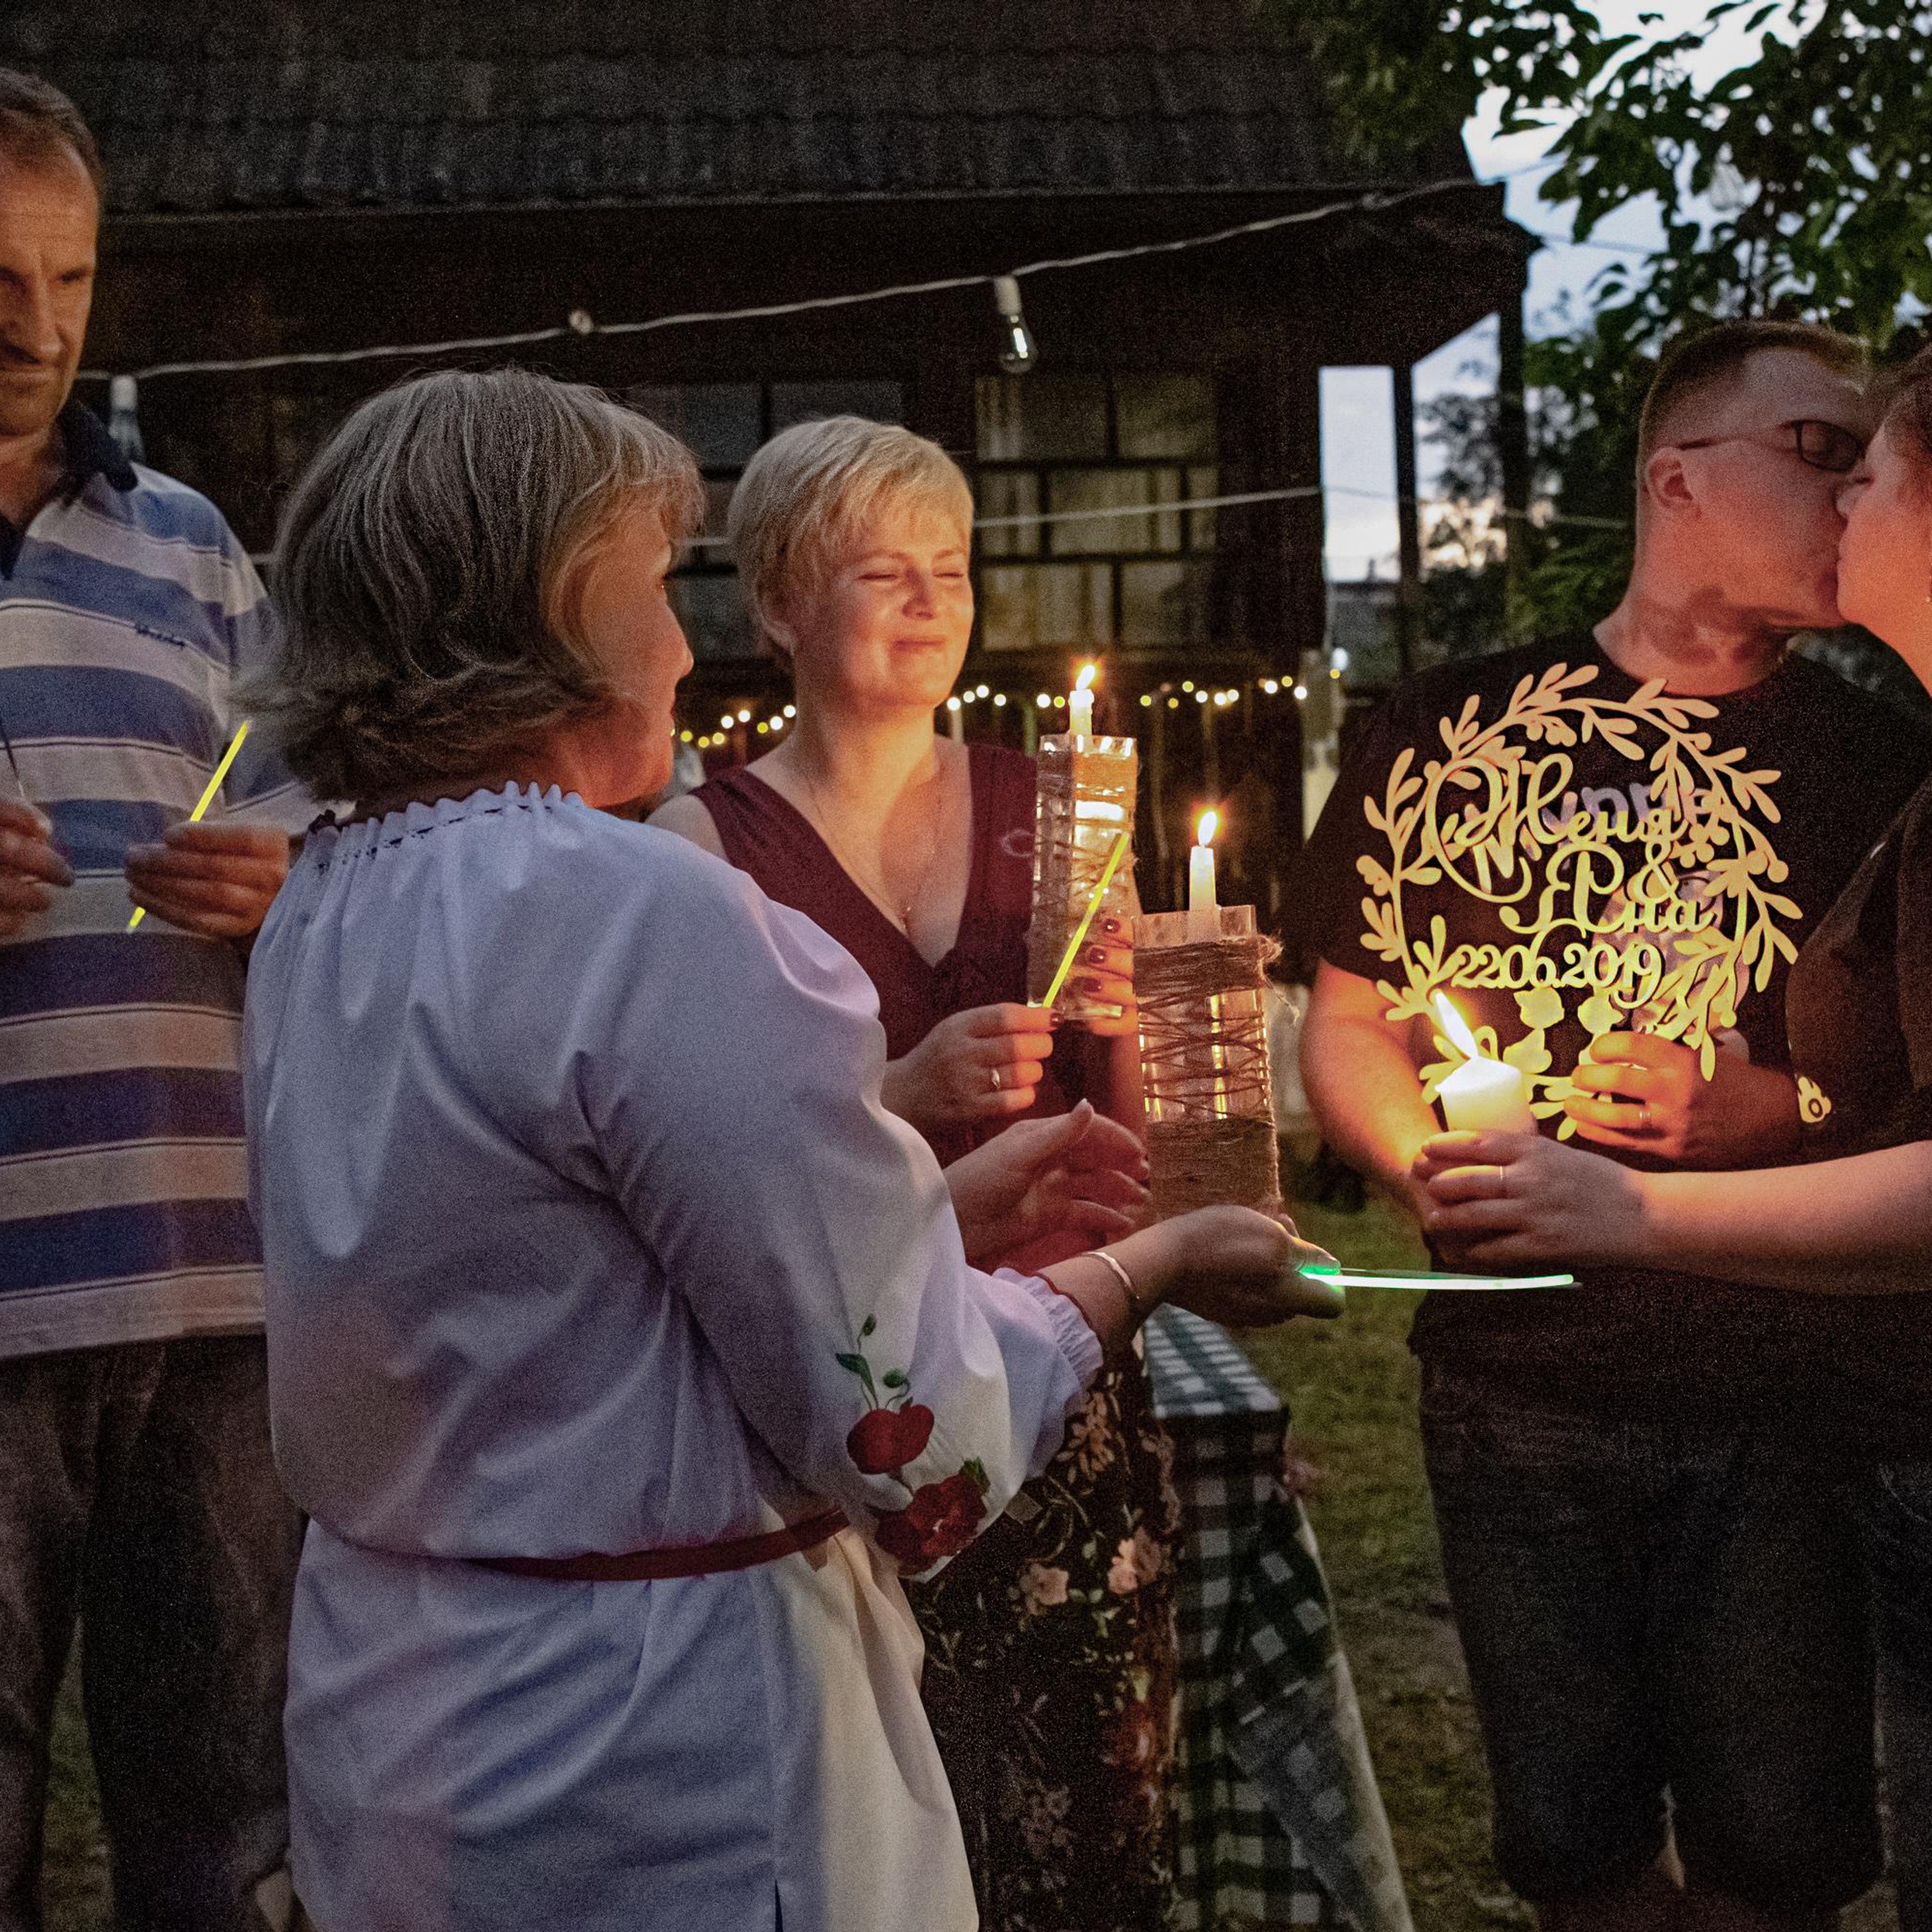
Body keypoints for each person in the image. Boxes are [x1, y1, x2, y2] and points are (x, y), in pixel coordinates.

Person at [241, 366, 1343, 1932]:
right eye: (646, 587)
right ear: (542, 614)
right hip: (655, 1758)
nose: (682, 646)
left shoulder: (328, 904)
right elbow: (916, 1439)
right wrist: (1143, 1259)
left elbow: (579, 1291)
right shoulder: (646, 912)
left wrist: (939, 1197)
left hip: (400, 1710)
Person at [1294, 319, 1932, 1932]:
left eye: (1868, 455)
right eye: (1812, 447)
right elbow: (1349, 1017)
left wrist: (1769, 1103)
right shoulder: (1442, 723)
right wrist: (1420, 1158)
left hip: (1779, 1391)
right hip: (1512, 1386)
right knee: (1564, 1841)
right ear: (1672, 477)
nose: (1849, 482)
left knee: (1776, 1849)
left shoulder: (1884, 761)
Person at [651, 416, 1179, 1930]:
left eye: (946, 566)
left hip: (1066, 1369)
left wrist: (1159, 1011)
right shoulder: (704, 841)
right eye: (878, 569)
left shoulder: (1064, 800)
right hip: (854, 1398)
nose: (927, 600)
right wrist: (896, 1089)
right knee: (873, 1827)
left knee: (1085, 1818)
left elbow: (1131, 1103)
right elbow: (709, 1165)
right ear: (774, 607)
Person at [0, 70, 312, 1932]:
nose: (32, 324)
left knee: (228, 1835)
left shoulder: (193, 544)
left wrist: (286, 879)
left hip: (210, 1280)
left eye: (68, 275)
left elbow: (313, 809)